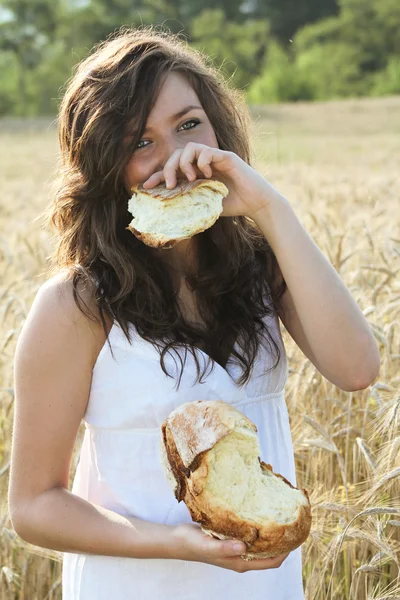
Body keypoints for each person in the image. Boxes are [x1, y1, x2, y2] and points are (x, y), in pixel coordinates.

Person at [8, 26, 380, 600]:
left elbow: (357, 368)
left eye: (188, 124)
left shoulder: (263, 270)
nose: (174, 156)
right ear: (106, 166)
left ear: (217, 126)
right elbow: (34, 507)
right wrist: (177, 541)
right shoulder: (77, 305)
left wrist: (267, 207)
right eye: (139, 143)